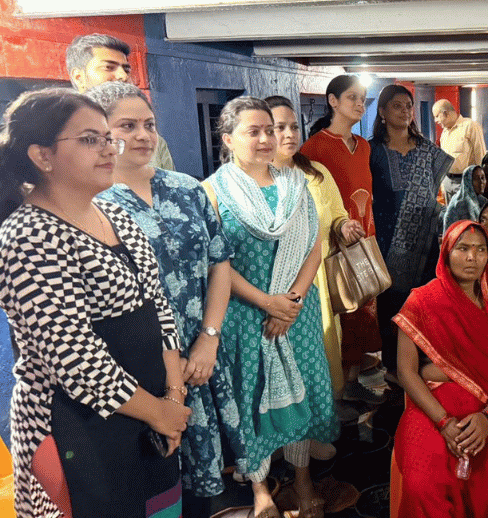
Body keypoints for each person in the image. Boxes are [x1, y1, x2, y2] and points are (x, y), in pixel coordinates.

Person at [0, 88, 189, 517]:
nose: (108, 149)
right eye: (90, 139)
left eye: (108, 138)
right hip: (79, 430)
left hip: (149, 413)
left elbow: (157, 305)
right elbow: (76, 359)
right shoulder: (30, 236)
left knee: (160, 509)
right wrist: (158, 412)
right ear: (42, 156)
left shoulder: (114, 213)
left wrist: (173, 393)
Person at [87, 81, 232, 517]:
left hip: (198, 356)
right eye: (126, 126)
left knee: (201, 487)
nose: (143, 136)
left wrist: (209, 338)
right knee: (150, 482)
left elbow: (219, 262)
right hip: (136, 367)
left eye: (149, 124)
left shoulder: (187, 188)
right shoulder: (89, 203)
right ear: (100, 134)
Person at [205, 97, 337, 518]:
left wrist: (293, 300)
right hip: (245, 317)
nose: (267, 139)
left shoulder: (294, 183)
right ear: (228, 139)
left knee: (303, 398)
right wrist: (268, 304)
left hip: (297, 313)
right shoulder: (210, 191)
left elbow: (313, 246)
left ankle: (301, 479)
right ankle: (261, 489)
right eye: (253, 131)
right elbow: (216, 262)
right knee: (251, 399)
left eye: (271, 130)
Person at [391, 221, 488, 518]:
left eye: (480, 250)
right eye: (463, 248)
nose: (472, 257)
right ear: (446, 253)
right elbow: (406, 371)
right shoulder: (421, 301)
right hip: (432, 408)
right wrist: (444, 422)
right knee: (423, 485)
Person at [267, 94, 364, 414]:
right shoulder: (254, 181)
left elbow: (336, 216)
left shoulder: (316, 173)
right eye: (279, 127)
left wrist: (343, 227)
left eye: (294, 127)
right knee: (281, 361)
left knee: (320, 354)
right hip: (275, 287)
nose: (290, 134)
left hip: (319, 284)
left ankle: (319, 428)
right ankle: (287, 440)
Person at [303, 75, 384, 404]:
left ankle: (352, 382)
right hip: (335, 247)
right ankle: (336, 390)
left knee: (365, 311)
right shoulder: (314, 148)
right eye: (352, 98)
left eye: (363, 99)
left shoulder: (363, 146)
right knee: (342, 313)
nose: (360, 105)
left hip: (363, 241)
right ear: (333, 101)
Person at [370, 84, 454, 373]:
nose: (405, 111)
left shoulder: (428, 151)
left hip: (425, 246)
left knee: (424, 305)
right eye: (397, 106)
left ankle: (425, 368)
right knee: (392, 309)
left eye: (409, 106)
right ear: (382, 111)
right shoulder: (372, 153)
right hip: (386, 245)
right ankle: (395, 373)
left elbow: (435, 196)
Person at [66, 33, 174, 171]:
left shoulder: (152, 142)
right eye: (109, 68)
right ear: (79, 77)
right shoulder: (57, 141)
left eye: (126, 69)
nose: (123, 76)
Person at [433, 99, 486, 204]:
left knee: (466, 217)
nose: (435, 120)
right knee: (451, 217)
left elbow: (481, 156)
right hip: (447, 181)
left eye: (437, 116)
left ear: (446, 113)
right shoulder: (444, 133)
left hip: (465, 181)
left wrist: (479, 183)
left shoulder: (470, 126)